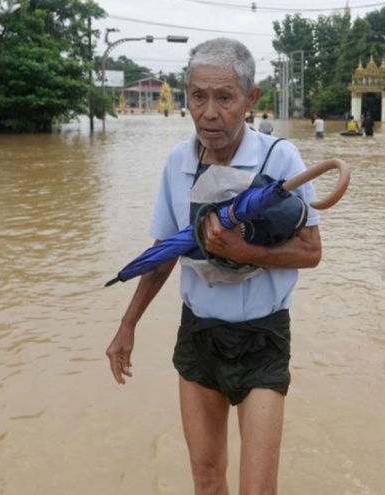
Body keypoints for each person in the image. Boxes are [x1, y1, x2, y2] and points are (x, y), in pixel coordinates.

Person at [105, 38, 322, 495]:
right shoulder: (177, 162)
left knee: (257, 490)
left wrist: (248, 254)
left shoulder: (277, 159)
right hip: (198, 334)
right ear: (185, 95)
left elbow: (311, 251)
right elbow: (164, 252)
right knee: (206, 479)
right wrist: (128, 325)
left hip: (262, 337)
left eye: (224, 97)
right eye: (198, 96)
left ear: (250, 98)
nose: (209, 112)